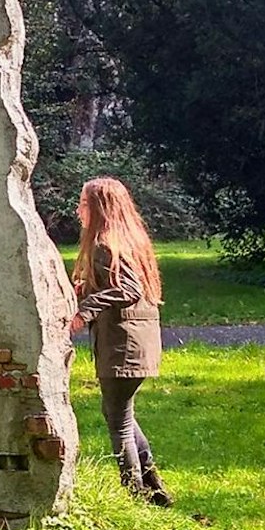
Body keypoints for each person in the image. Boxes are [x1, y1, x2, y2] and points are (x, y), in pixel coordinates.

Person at [69, 176, 171, 507]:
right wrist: (83, 290)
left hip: (124, 346)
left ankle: (136, 495)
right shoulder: (128, 241)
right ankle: (154, 487)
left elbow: (127, 289)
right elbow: (116, 283)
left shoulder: (104, 245)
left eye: (83, 203)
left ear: (99, 209)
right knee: (120, 414)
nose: (78, 210)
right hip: (138, 343)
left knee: (119, 422)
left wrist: (84, 312)